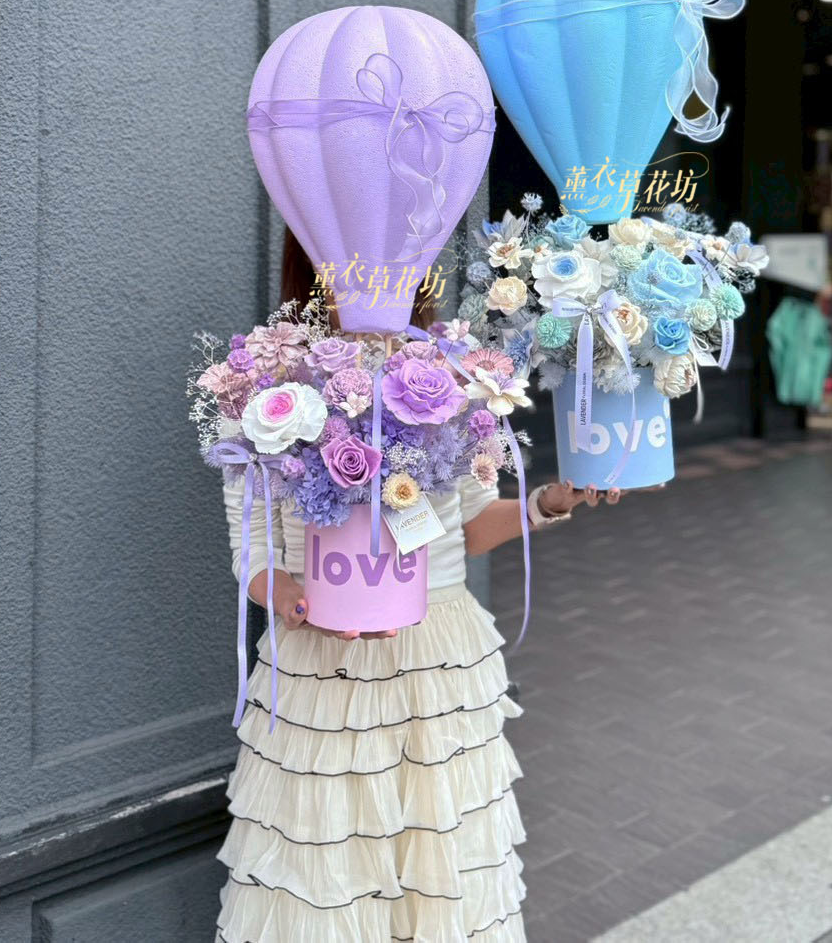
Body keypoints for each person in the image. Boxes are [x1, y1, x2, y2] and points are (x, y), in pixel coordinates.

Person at [215, 230, 622, 942]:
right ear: (312, 260)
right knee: (327, 875)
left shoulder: (449, 370)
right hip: (326, 667)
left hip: (439, 661)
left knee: (440, 871)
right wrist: (292, 599)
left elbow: (469, 526)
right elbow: (251, 547)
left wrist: (549, 502)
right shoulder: (263, 383)